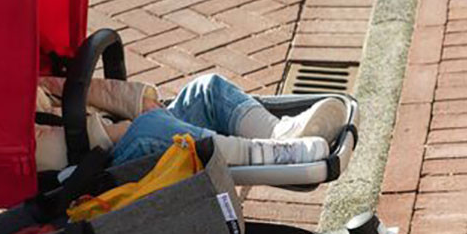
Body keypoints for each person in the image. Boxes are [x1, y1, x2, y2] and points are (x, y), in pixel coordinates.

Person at [34, 72, 349, 171]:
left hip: (131, 128)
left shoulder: (30, 81)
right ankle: (271, 153)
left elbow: (81, 87)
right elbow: (49, 151)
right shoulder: (5, 127)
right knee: (150, 128)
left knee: (207, 90)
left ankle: (281, 132)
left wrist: (137, 100)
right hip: (101, 164)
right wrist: (123, 129)